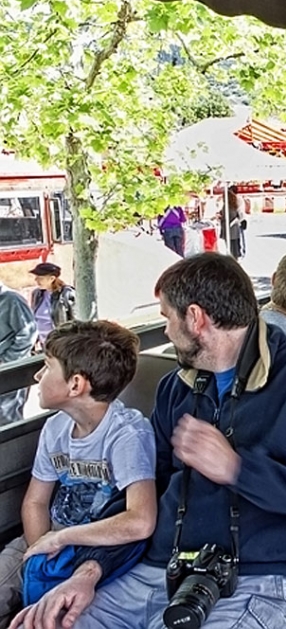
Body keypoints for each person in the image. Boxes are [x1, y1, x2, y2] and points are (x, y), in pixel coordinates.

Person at [12, 254, 286, 629]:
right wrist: (90, 570)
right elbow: (144, 498)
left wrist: (237, 468)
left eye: (167, 317)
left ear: (196, 318)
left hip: (261, 579)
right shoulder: (176, 388)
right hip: (158, 571)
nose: (165, 331)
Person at [0, 321, 155, 627]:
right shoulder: (55, 428)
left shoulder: (127, 435)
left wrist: (62, 541)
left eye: (46, 367)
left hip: (100, 546)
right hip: (47, 535)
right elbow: (36, 502)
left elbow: (140, 519)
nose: (37, 376)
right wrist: (40, 550)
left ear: (75, 384)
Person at [0, 280, 36, 426]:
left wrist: (6, 361)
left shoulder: (11, 299)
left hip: (9, 372)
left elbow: (27, 335)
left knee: (7, 419)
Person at [28, 263, 76, 349]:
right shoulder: (36, 294)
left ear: (52, 278)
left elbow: (75, 321)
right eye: (36, 277)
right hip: (44, 343)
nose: (36, 280)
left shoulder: (67, 294)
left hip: (61, 344)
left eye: (40, 278)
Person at [218, 187, 244, 260]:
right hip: (234, 230)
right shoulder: (234, 205)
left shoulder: (226, 206)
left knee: (230, 249)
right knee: (235, 248)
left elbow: (225, 217)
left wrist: (220, 217)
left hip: (228, 230)